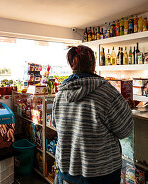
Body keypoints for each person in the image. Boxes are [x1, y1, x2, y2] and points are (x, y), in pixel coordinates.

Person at [52, 45, 133, 184]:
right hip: (101, 174)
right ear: (93, 64)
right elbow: (125, 130)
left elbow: (55, 124)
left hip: (67, 171)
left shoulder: (60, 94)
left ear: (72, 65)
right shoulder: (107, 92)